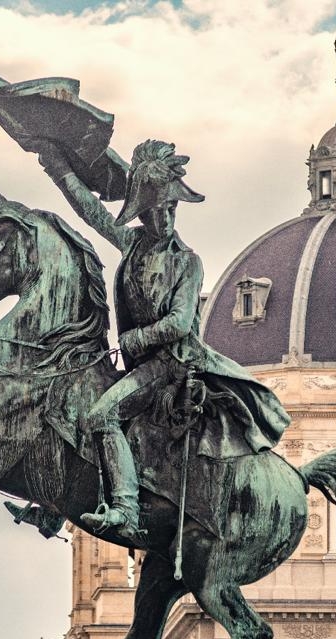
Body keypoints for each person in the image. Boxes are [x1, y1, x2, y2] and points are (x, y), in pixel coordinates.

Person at [37, 140, 290, 546]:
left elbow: (179, 322)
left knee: (102, 414)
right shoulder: (134, 243)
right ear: (144, 213)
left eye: (173, 209)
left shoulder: (187, 261)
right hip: (141, 365)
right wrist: (56, 167)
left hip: (172, 364)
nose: (168, 218)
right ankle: (54, 502)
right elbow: (93, 212)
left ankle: (125, 509)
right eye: (160, 211)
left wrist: (137, 336)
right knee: (70, 402)